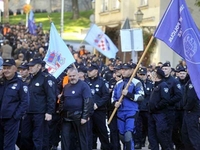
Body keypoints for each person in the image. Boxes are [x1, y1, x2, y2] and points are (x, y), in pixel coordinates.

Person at [20, 58, 56, 150]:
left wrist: (49, 112)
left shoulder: (46, 78)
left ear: (39, 66)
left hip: (40, 113)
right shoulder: (29, 78)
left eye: (32, 66)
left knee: (38, 138)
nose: (30, 68)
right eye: (29, 66)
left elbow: (51, 96)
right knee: (25, 136)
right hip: (28, 112)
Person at [112, 63, 144, 150]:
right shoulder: (118, 84)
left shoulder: (136, 82)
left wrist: (129, 94)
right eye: (122, 69)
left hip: (131, 111)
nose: (123, 71)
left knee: (128, 134)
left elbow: (141, 96)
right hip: (120, 112)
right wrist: (115, 103)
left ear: (131, 70)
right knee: (121, 135)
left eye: (126, 69)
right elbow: (113, 97)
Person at [60, 67, 93, 150]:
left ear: (78, 75)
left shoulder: (84, 86)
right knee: (65, 138)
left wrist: (85, 117)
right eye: (70, 76)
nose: (72, 78)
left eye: (74, 75)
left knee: (81, 139)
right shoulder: (66, 86)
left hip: (79, 117)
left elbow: (87, 101)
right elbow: (62, 100)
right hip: (67, 117)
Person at [0, 59, 29, 150]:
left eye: (9, 68)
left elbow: (25, 102)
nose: (6, 70)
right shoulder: (1, 82)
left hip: (11, 120)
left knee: (8, 146)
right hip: (0, 119)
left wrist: (16, 117)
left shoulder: (21, 84)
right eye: (4, 68)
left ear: (15, 69)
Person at [86, 63, 111, 150]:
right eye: (88, 70)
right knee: (88, 131)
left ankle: (106, 147)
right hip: (88, 111)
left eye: (91, 70)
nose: (88, 72)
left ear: (96, 71)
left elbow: (106, 95)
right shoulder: (86, 81)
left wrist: (98, 104)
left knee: (102, 131)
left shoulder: (102, 82)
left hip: (99, 110)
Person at [148, 68, 171, 150]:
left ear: (157, 75)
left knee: (161, 134)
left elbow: (165, 100)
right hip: (152, 114)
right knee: (152, 135)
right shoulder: (155, 85)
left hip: (160, 114)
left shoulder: (163, 85)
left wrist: (156, 107)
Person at [162, 62, 182, 149]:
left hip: (170, 110)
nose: (164, 70)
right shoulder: (160, 80)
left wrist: (169, 102)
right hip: (160, 110)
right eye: (163, 69)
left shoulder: (174, 81)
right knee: (161, 132)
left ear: (170, 70)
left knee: (170, 132)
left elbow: (178, 95)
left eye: (166, 69)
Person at [134, 67, 154, 149]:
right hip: (139, 108)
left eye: (143, 74)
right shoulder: (136, 83)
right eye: (140, 74)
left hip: (147, 109)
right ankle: (138, 142)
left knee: (149, 127)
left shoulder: (151, 83)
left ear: (146, 75)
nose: (141, 76)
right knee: (138, 127)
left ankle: (150, 142)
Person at [181, 75, 200, 150]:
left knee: (193, 137)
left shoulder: (194, 81)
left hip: (192, 112)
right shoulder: (190, 80)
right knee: (185, 135)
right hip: (189, 112)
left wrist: (186, 107)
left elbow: (191, 98)